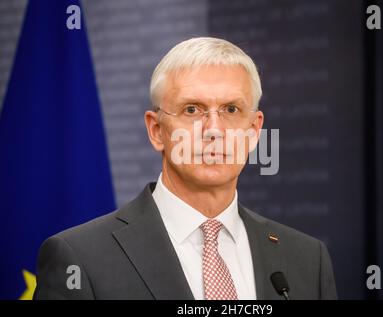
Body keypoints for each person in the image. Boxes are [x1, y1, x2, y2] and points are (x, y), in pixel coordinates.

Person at [34, 37, 337, 300]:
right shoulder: (80, 258)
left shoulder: (308, 259)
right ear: (156, 130)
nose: (214, 130)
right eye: (192, 110)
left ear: (254, 131)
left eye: (231, 110)